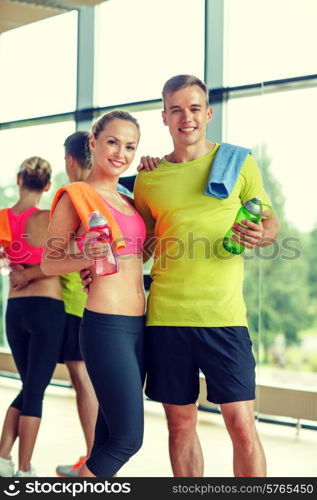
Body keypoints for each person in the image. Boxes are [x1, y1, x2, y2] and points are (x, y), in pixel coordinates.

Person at [82, 74, 279, 477]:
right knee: (180, 424)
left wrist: (261, 234)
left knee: (241, 424)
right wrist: (96, 269)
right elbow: (142, 245)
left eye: (193, 108)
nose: (185, 117)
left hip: (223, 318)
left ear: (207, 113)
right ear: (165, 117)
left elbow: (270, 222)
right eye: (176, 109)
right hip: (167, 318)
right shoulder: (150, 178)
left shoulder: (238, 161)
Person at [41, 110, 146, 477]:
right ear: (93, 143)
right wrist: (84, 256)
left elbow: (136, 257)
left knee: (106, 439)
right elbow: (49, 263)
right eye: (113, 142)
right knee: (128, 439)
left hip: (139, 326)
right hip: (107, 326)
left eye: (130, 146)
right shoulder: (77, 195)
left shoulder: (127, 200)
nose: (121, 153)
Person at [0, 157, 65, 477]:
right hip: (47, 308)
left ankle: (2, 459)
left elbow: (4, 261)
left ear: (18, 179)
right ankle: (24, 469)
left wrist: (13, 267)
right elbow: (68, 258)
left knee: (29, 385)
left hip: (15, 312)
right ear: (48, 186)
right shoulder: (49, 217)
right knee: (34, 390)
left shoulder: (2, 218)